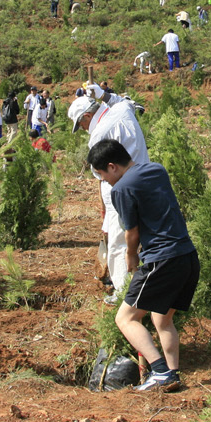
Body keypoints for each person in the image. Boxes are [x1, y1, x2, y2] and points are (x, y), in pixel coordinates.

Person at [89, 140, 201, 392]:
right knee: (162, 319)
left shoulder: (121, 189)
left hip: (161, 260)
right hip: (187, 256)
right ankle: (173, 374)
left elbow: (132, 231)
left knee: (125, 318)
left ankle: (160, 371)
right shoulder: (157, 169)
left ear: (112, 166)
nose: (105, 182)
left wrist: (131, 256)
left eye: (103, 176)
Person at [69, 95, 149, 303]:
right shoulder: (122, 109)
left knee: (118, 243)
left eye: (82, 123)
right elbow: (122, 100)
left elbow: (101, 174)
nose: (84, 128)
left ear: (87, 116)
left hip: (120, 188)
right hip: (142, 179)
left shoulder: (99, 134)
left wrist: (105, 203)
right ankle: (140, 286)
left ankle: (126, 295)